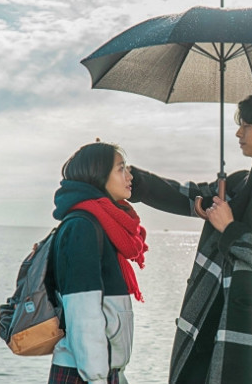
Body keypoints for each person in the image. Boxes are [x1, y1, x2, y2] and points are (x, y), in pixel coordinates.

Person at [129, 94, 252, 384]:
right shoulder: (237, 184)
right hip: (206, 321)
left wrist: (229, 228)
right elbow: (186, 195)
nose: (239, 132)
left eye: (246, 125)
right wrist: (131, 180)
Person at [49, 142, 148, 384]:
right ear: (98, 175)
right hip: (84, 373)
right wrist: (97, 378)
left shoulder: (102, 223)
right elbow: (83, 313)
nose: (129, 176)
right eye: (120, 169)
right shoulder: (83, 226)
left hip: (100, 370)